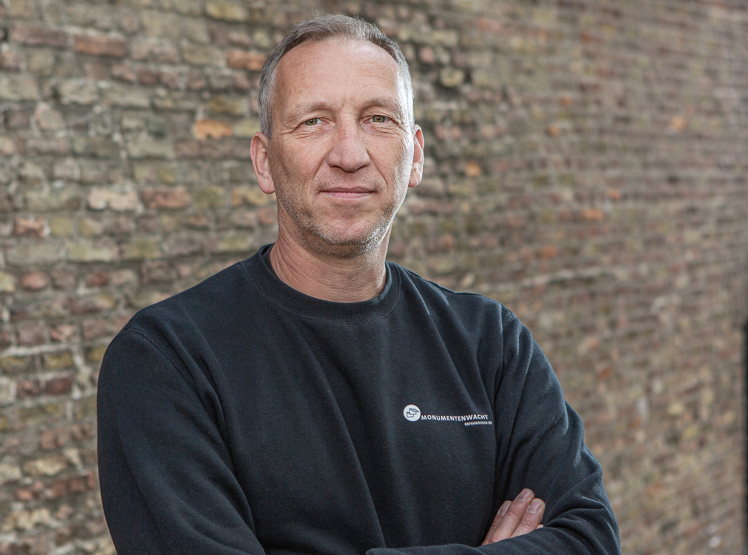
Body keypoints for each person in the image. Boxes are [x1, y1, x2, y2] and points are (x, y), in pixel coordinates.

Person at [97, 14, 620, 554]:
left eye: (377, 119)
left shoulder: (490, 343)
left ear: (414, 155)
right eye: (313, 122)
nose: (349, 154)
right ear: (264, 162)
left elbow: (590, 538)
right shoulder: (167, 360)